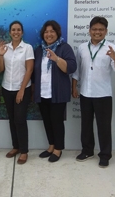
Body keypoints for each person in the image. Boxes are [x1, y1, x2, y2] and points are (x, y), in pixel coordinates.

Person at [72, 16, 115, 168]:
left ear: (106, 31)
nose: (97, 32)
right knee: (86, 125)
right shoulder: (82, 47)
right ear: (89, 31)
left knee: (104, 126)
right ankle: (87, 151)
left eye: (101, 30)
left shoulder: (111, 48)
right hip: (85, 93)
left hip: (103, 95)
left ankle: (105, 155)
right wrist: (74, 86)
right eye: (94, 29)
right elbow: (77, 70)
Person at [33, 20, 77, 163]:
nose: (49, 34)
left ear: (57, 33)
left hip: (58, 93)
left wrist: (57, 58)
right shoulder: (39, 49)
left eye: (52, 31)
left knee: (57, 121)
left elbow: (71, 68)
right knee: (46, 120)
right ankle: (51, 146)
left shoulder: (64, 48)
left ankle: (58, 149)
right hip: (42, 92)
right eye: (46, 32)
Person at [0, 21, 34, 165]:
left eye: (18, 30)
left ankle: (24, 151)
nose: (16, 32)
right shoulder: (5, 48)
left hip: (22, 89)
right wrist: (1, 55)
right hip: (7, 88)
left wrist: (22, 90)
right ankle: (16, 147)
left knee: (20, 119)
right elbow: (0, 70)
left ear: (22, 32)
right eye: (13, 30)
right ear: (10, 32)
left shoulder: (27, 48)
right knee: (12, 119)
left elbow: (29, 70)